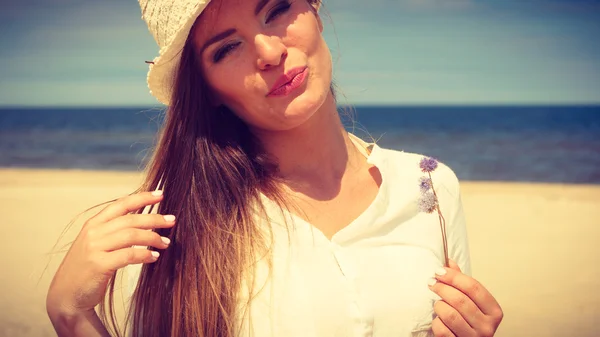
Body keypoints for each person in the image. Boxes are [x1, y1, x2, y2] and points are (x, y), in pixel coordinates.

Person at [46, 0, 503, 336]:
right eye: (226, 49)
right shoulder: (177, 227)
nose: (268, 50)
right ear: (205, 88)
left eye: (278, 9)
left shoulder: (430, 186)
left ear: (315, 9)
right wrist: (71, 316)